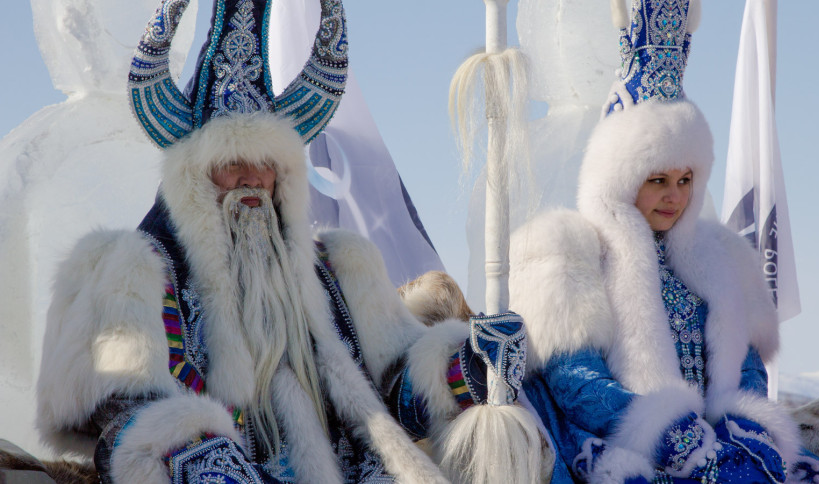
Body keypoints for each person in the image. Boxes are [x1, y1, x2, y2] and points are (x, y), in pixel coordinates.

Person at [35, 0, 545, 482]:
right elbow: (120, 409)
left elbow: (398, 386)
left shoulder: (340, 269)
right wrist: (199, 455)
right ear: (195, 179)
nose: (252, 180)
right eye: (233, 164)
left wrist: (468, 367)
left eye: (268, 165)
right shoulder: (138, 272)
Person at [508, 1, 819, 483]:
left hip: (726, 450)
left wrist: (745, 432)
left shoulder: (724, 257)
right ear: (620, 178)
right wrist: (683, 441)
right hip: (632, 449)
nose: (675, 196)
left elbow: (750, 371)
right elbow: (577, 384)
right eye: (657, 179)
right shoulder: (571, 250)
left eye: (686, 178)